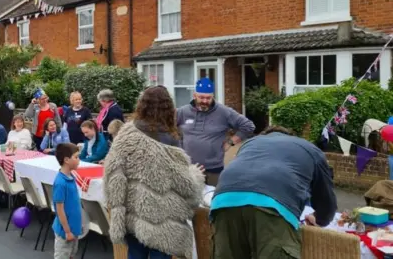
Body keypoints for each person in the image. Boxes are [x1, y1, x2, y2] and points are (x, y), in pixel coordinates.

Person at [103, 86, 205, 259]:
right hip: (162, 221)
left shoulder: (125, 134)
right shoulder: (169, 139)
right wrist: (196, 174)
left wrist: (117, 212)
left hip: (131, 217)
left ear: (142, 105)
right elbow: (187, 187)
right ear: (168, 108)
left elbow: (112, 177)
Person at [210, 126, 337, 259]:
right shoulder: (310, 149)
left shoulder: (250, 143)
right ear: (291, 136)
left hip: (224, 200)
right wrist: (320, 218)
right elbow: (326, 198)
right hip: (273, 206)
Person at [176, 77, 255, 186]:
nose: (205, 101)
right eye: (201, 97)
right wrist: (178, 144)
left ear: (213, 96)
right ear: (194, 95)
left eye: (208, 98)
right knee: (189, 201)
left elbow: (248, 126)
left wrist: (231, 142)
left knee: (213, 200)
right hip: (188, 168)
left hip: (214, 169)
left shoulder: (224, 112)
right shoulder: (182, 112)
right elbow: (167, 127)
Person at [52, 143, 82, 259]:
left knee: (71, 254)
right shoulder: (60, 182)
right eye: (76, 157)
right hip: (65, 232)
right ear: (66, 160)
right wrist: (67, 231)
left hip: (74, 229)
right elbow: (59, 209)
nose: (79, 160)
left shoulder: (70, 177)